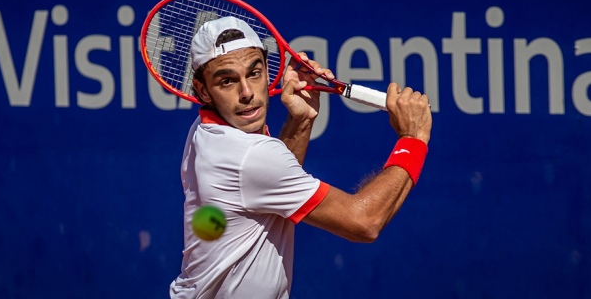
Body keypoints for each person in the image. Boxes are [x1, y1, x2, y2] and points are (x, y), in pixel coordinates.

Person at [170, 16, 432, 298]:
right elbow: (365, 222)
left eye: (254, 73)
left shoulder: (204, 130)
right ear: (203, 91)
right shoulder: (249, 155)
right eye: (227, 81)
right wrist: (413, 138)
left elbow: (270, 188)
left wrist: (302, 120)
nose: (246, 93)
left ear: (267, 71)